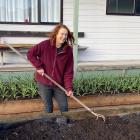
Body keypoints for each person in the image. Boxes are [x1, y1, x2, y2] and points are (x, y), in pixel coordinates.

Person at [27, 24, 74, 114]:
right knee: (48, 107)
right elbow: (30, 53)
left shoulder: (68, 51)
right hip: (44, 81)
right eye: (62, 34)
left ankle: (65, 125)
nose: (64, 37)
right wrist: (39, 66)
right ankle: (49, 126)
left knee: (64, 106)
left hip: (58, 84)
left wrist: (68, 88)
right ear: (56, 33)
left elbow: (68, 72)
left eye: (66, 35)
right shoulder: (45, 45)